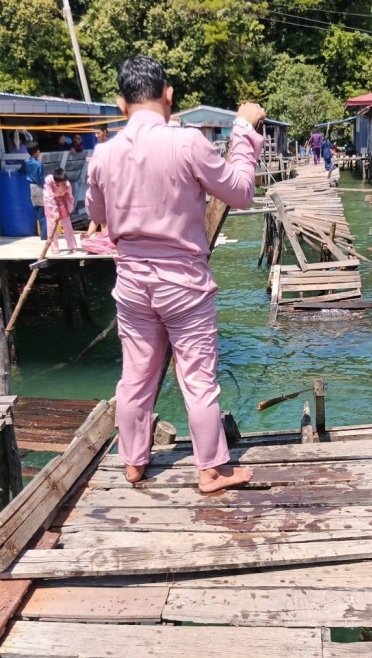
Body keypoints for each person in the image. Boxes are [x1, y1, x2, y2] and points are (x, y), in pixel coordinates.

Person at [86, 55, 264, 493]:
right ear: (169, 96)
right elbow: (240, 192)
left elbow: (96, 214)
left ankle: (132, 461)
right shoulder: (188, 143)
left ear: (120, 104)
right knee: (198, 379)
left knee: (135, 377)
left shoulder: (103, 154)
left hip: (131, 284)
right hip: (183, 284)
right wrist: (243, 131)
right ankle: (212, 470)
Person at [43, 167, 79, 254]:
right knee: (52, 224)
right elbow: (49, 197)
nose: (64, 184)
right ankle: (54, 248)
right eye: (62, 183)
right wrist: (55, 212)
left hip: (62, 199)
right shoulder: (49, 181)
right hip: (50, 201)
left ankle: (72, 246)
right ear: (56, 182)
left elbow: (70, 197)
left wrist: (70, 208)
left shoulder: (67, 184)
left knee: (67, 224)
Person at [21, 141, 46, 237]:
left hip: (31, 187)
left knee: (37, 210)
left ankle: (41, 233)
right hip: (39, 187)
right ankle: (44, 235)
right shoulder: (39, 164)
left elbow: (21, 171)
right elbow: (41, 178)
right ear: (35, 152)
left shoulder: (26, 162)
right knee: (43, 211)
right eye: (38, 150)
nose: (39, 151)